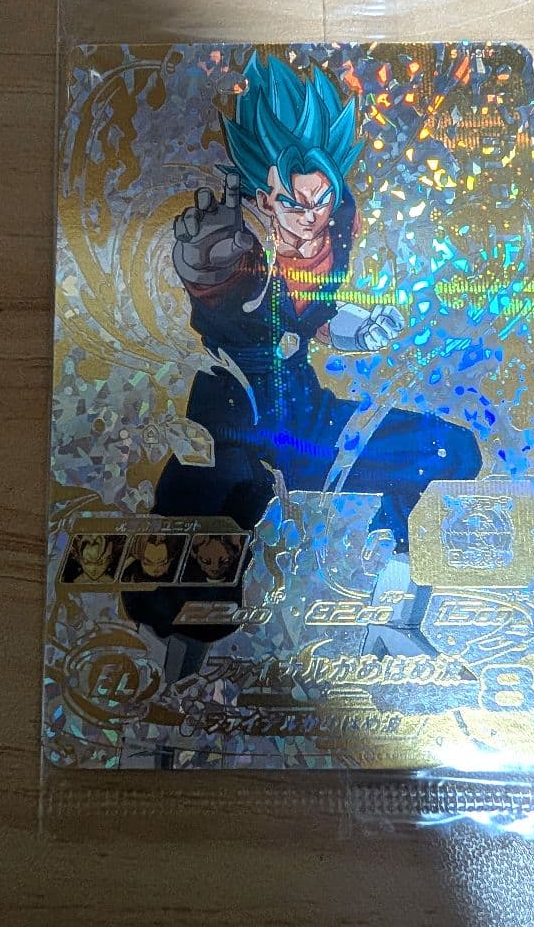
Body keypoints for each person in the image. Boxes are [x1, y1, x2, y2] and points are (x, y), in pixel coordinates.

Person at [153, 54, 482, 656]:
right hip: (239, 426)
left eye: (321, 201)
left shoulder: (330, 238)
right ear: (264, 199)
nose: (309, 220)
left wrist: (361, 328)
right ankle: (177, 663)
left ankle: (395, 619)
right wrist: (208, 269)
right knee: (203, 545)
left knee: (446, 450)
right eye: (293, 204)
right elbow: (229, 301)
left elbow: (315, 318)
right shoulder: (233, 248)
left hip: (308, 424)